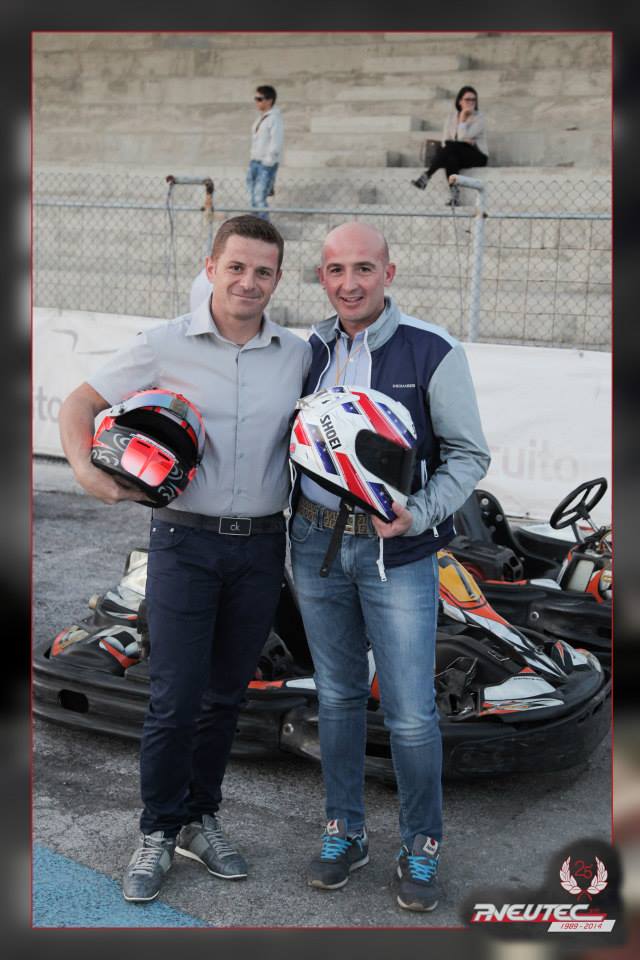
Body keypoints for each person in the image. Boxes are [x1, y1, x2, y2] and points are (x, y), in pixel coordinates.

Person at [58, 215, 311, 903]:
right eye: (237, 267)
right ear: (211, 268)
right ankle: (158, 829)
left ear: (277, 279)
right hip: (183, 542)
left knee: (225, 695)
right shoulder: (163, 343)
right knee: (174, 698)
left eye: (263, 271)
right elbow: (80, 404)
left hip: (262, 544)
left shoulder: (297, 355)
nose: (248, 282)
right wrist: (85, 470)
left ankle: (202, 818)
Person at [289, 222, 490, 912]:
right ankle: (344, 832)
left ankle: (421, 844)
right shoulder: (309, 350)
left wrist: (419, 513)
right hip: (314, 543)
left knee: (409, 713)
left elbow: (469, 455)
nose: (350, 284)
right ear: (322, 276)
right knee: (338, 696)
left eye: (364, 269)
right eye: (336, 270)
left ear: (389, 273)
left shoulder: (432, 349)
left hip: (396, 553)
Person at [411, 85, 488, 205]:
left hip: (477, 155)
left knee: (451, 147)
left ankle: (427, 175)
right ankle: (455, 196)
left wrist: (462, 118)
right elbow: (445, 140)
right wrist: (462, 140)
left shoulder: (479, 118)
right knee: (451, 158)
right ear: (460, 101)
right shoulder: (451, 117)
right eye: (468, 99)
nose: (471, 102)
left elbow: (461, 137)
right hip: (456, 154)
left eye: (474, 99)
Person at [246, 85, 284, 221]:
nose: (257, 102)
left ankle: (264, 228)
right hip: (255, 162)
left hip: (265, 164)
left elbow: (276, 142)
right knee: (252, 198)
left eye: (259, 99)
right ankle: (254, 227)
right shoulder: (261, 118)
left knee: (259, 199)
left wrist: (268, 162)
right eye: (256, 99)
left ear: (269, 100)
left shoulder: (274, 118)